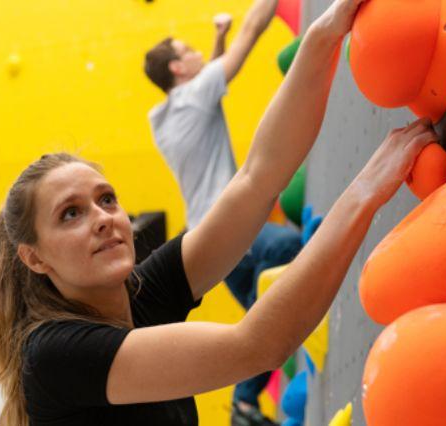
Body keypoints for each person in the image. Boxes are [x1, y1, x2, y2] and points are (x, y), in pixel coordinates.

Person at [0, 1, 439, 425]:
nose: (102, 218)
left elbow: (258, 177)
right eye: (70, 215)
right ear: (34, 258)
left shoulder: (139, 296)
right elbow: (257, 345)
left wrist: (326, 33)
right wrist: (365, 192)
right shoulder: (54, 354)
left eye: (106, 199)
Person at [143, 3, 301, 422]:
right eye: (189, 50)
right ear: (178, 68)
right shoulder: (196, 95)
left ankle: (245, 403)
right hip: (231, 228)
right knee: (288, 246)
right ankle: (243, 395)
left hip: (208, 242)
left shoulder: (164, 117)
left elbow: (205, 80)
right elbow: (249, 34)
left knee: (268, 316)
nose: (199, 53)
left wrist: (215, 39)